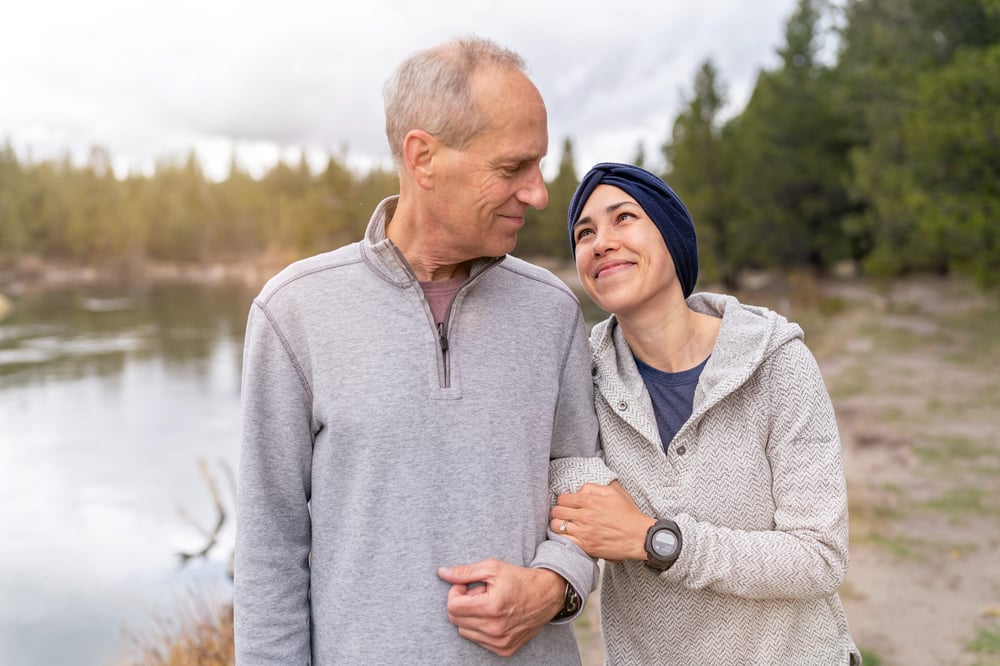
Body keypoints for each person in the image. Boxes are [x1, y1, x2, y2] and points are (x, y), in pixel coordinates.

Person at [233, 37, 614, 665]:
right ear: (424, 158)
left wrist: (553, 587)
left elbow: (583, 490)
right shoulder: (293, 312)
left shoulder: (552, 311)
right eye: (512, 167)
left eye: (539, 165)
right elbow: (269, 552)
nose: (539, 193)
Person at [549, 162, 862, 665]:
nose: (600, 242)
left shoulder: (776, 363)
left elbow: (818, 557)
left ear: (672, 239)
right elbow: (566, 493)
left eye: (623, 218)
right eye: (584, 232)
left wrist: (654, 540)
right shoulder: (580, 380)